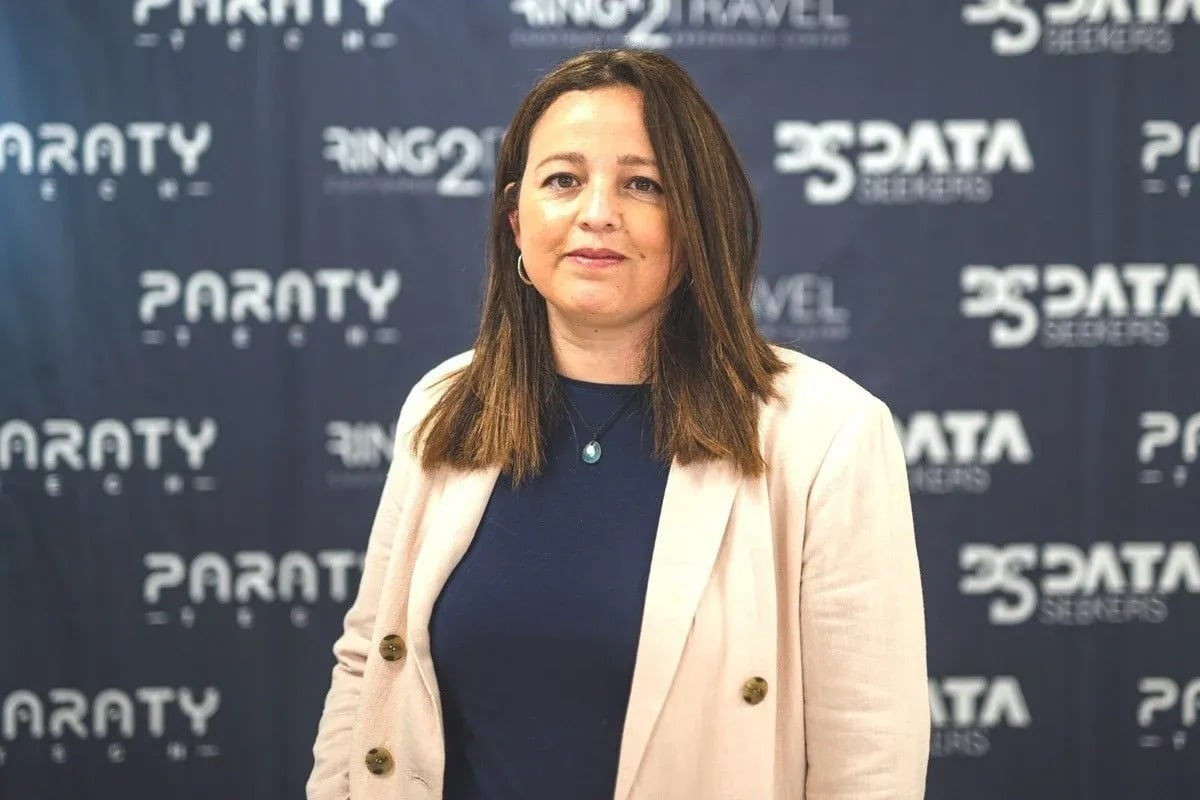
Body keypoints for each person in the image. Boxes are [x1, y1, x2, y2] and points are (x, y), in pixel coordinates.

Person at [307, 48, 929, 800]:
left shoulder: (826, 436)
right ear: (515, 224)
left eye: (643, 184)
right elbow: (368, 665)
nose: (597, 212)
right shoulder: (445, 404)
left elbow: (869, 759)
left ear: (696, 224)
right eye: (563, 180)